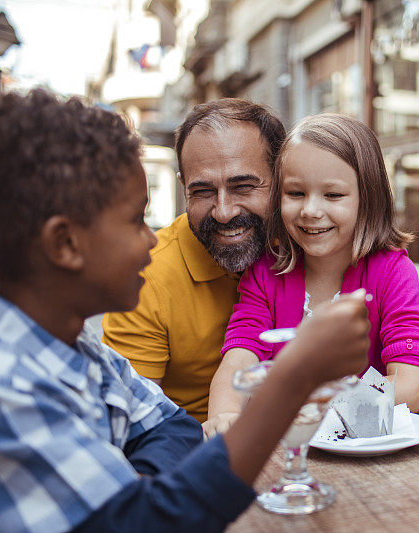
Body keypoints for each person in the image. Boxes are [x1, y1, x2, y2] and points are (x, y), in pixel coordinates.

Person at [0, 90, 370, 532]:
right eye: (136, 220)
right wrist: (297, 376)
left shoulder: (75, 348)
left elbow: (173, 429)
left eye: (244, 185)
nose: (152, 240)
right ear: (65, 244)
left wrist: (148, 498)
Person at [204, 114, 419, 436]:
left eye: (333, 195)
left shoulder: (393, 272)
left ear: (368, 199)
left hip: (366, 449)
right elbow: (238, 360)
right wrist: (225, 415)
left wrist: (310, 404)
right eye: (296, 193)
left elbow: (410, 386)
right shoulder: (265, 272)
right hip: (283, 447)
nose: (310, 210)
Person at [102, 98, 284, 425]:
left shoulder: (306, 245)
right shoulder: (144, 279)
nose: (224, 211)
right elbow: (133, 428)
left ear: (281, 179)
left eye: (243, 186)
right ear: (183, 187)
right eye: (202, 192)